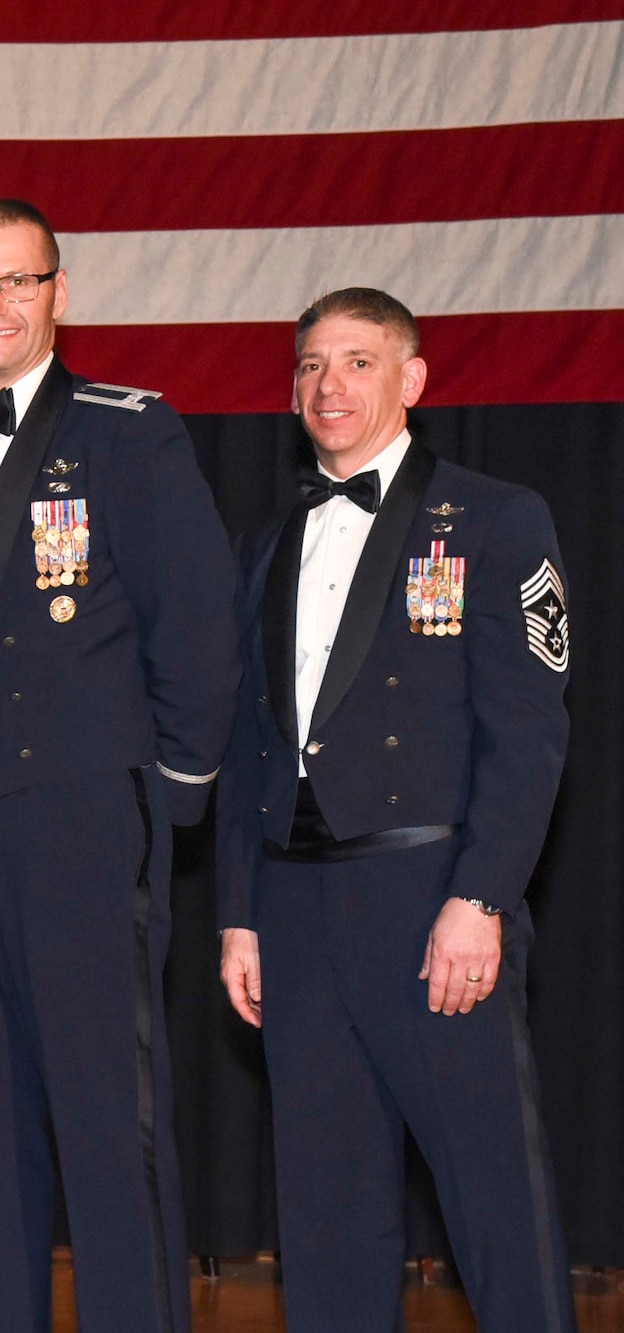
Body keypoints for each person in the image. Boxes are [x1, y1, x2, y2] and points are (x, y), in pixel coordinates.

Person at [0, 198, 237, 1332]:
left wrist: (165, 801)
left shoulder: (125, 432)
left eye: (13, 282)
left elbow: (199, 621)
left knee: (101, 1118)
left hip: (79, 816)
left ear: (56, 293)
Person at [215, 288, 574, 1331]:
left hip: (430, 902)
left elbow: (528, 732)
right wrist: (239, 909)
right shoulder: (268, 536)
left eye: (358, 362)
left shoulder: (498, 518)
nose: (330, 386)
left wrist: (480, 897)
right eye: (311, 366)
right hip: (293, 906)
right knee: (325, 1214)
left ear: (410, 378)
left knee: (492, 1196)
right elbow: (247, 737)